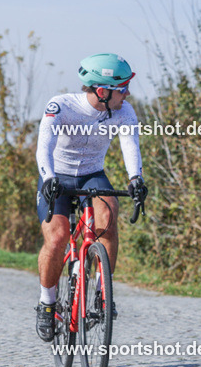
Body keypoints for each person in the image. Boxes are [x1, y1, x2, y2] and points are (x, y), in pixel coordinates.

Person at [34, 53, 148, 341]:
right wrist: (48, 178)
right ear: (102, 91)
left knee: (107, 220)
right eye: (122, 88)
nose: (127, 93)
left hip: (92, 174)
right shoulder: (61, 106)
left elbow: (130, 147)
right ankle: (47, 304)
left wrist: (136, 179)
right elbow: (43, 146)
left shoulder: (124, 112)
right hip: (57, 177)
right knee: (57, 238)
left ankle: (102, 294)